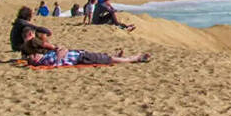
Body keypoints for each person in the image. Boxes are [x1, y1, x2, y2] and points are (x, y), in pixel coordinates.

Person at [19, 27, 149, 66]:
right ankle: (134, 58)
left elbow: (25, 57)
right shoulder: (44, 57)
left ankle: (113, 57)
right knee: (108, 60)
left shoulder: (33, 53)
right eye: (34, 56)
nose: (34, 54)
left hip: (80, 55)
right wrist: (59, 51)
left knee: (102, 57)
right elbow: (57, 51)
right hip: (81, 58)